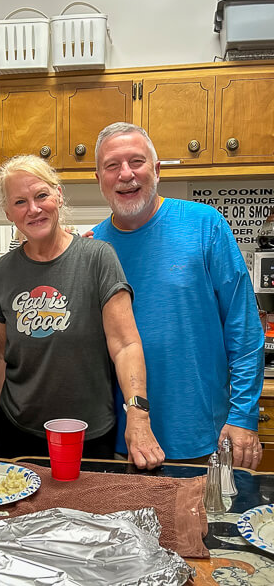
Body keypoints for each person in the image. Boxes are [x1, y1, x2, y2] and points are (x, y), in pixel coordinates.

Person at [91, 122, 264, 469]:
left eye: (137, 162)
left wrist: (243, 415)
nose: (126, 174)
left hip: (205, 436)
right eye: (112, 165)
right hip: (123, 442)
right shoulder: (91, 247)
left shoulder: (205, 225)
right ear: (99, 179)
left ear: (156, 171)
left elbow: (243, 330)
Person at [0, 155, 165, 469]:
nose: (34, 208)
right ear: (8, 212)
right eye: (20, 201)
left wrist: (138, 417)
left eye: (41, 195)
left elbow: (125, 345)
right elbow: (3, 353)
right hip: (19, 431)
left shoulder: (97, 257)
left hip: (89, 431)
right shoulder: (1, 272)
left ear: (58, 195)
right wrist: (4, 410)